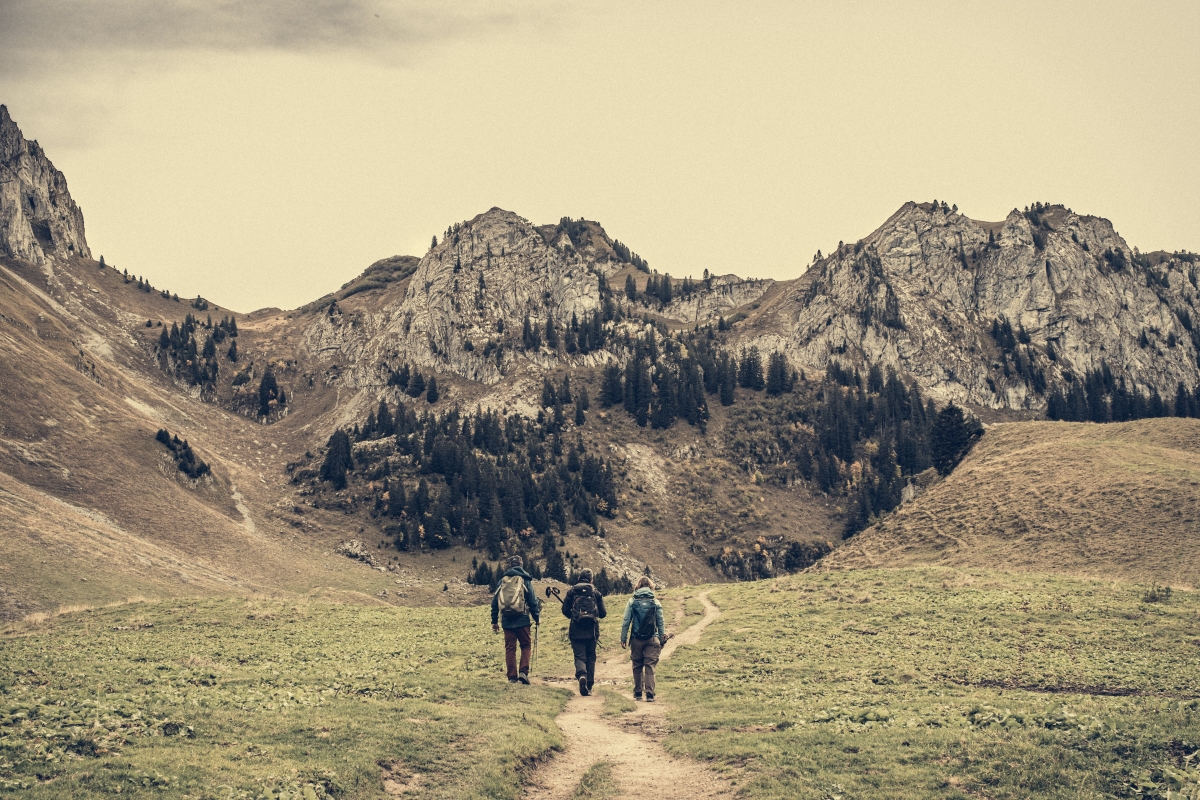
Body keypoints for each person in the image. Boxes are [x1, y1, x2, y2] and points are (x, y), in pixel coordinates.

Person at [491, 555, 541, 684]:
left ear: (510, 566)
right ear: (521, 564)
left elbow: (494, 603)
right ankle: (523, 672)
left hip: (507, 621)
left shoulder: (502, 581)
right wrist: (537, 617)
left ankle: (512, 677)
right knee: (526, 645)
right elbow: (533, 601)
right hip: (523, 620)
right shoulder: (525, 580)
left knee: (510, 648)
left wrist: (494, 621)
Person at [560, 568, 607, 696]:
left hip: (576, 630)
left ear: (579, 578)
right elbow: (603, 613)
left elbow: (565, 610)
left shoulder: (572, 591)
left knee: (579, 656)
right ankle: (589, 685)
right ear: (591, 580)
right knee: (591, 657)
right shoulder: (595, 593)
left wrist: (574, 615)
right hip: (592, 631)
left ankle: (582, 675)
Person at [620, 576, 667, 702]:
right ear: (651, 586)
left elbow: (626, 621)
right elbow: (660, 622)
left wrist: (623, 638)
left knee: (637, 665)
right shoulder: (655, 601)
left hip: (636, 639)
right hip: (652, 638)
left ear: (638, 586)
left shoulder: (632, 601)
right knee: (650, 665)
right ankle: (650, 694)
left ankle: (638, 693)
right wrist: (661, 639)